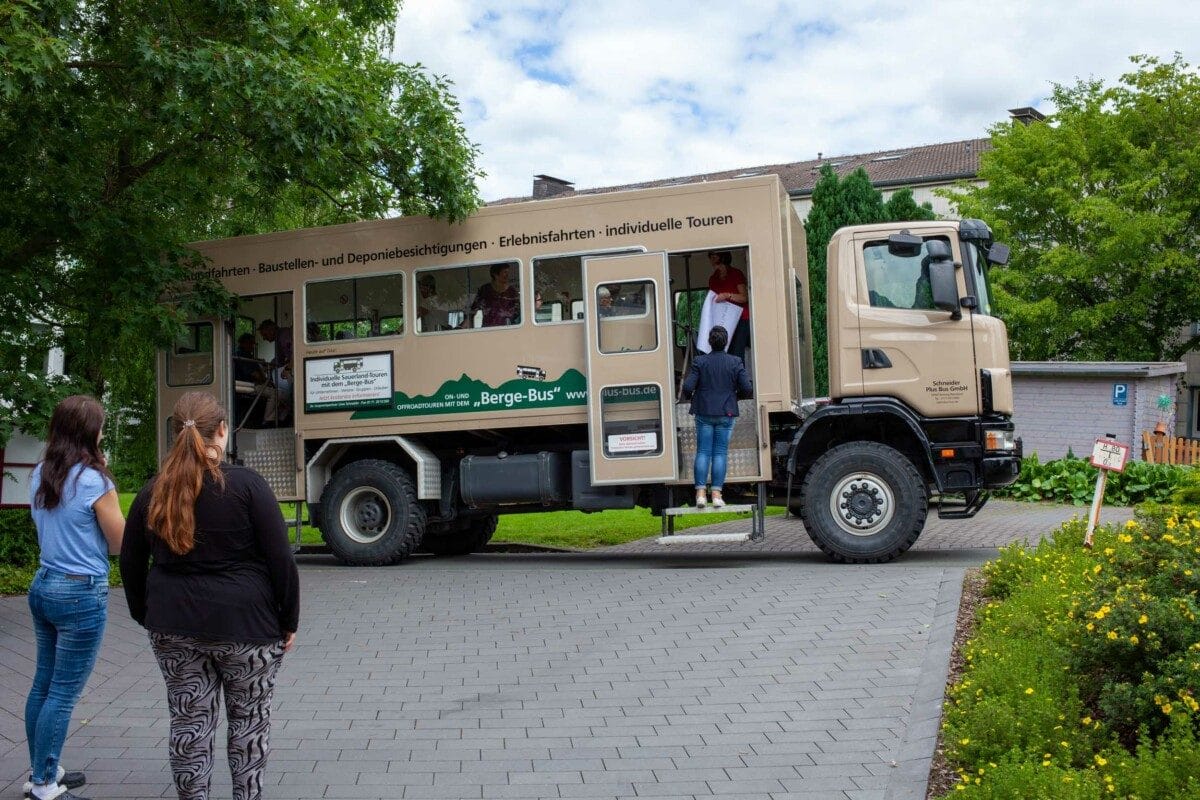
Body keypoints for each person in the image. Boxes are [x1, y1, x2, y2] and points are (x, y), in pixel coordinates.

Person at [120, 392, 299, 800]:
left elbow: (130, 561)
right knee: (249, 724)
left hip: (173, 625)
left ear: (176, 434)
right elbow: (281, 560)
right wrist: (288, 620)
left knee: (189, 724)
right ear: (221, 430)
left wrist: (146, 614)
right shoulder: (248, 486)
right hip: (248, 627)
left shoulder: (153, 492)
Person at [24, 395, 125, 800]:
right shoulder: (95, 482)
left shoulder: (39, 473)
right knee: (62, 693)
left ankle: (41, 768)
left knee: (43, 685)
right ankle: (45, 785)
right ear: (90, 433)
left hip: (44, 584)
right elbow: (119, 543)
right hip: (80, 592)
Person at [680, 325, 752, 509]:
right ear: (726, 342)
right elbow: (747, 388)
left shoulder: (700, 361)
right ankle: (717, 495)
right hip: (726, 412)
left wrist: (694, 397)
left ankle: (700, 495)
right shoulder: (735, 362)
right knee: (720, 453)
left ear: (710, 342)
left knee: (703, 452)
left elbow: (687, 387)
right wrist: (734, 397)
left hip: (704, 411)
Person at [707, 251, 751, 362]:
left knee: (737, 353)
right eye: (710, 257)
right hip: (723, 320)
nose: (712, 260)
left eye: (714, 257)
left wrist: (727, 295)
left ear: (722, 258)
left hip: (741, 319)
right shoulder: (713, 279)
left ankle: (738, 373)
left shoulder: (736, 274)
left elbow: (744, 297)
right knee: (724, 352)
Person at [255, 320, 292, 424]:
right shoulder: (279, 339)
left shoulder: (284, 336)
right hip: (291, 368)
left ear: (271, 330)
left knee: (289, 393)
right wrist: (268, 365)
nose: (264, 338)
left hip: (294, 369)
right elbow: (279, 360)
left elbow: (295, 353)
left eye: (265, 335)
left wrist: (288, 369)